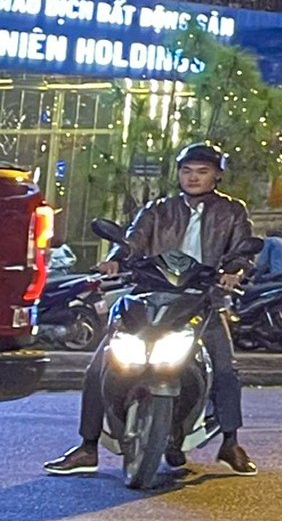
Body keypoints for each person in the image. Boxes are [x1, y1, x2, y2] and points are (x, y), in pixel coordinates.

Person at [47, 141, 258, 477]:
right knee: (99, 365)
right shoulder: (158, 209)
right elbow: (132, 241)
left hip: (202, 298)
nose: (193, 177)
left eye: (202, 171)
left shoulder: (232, 212)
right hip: (150, 295)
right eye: (186, 171)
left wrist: (234, 270)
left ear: (217, 176)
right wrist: (115, 260)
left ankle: (230, 443)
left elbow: (243, 250)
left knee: (226, 370)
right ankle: (88, 447)